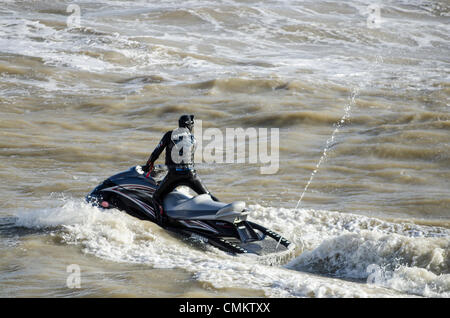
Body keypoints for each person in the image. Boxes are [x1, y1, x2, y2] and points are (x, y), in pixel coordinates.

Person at [143, 114, 218, 221]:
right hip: (191, 176)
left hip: (174, 176)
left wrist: (148, 165)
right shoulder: (193, 139)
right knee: (209, 196)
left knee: (156, 197)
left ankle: (161, 220)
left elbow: (156, 152)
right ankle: (226, 213)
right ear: (189, 125)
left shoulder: (169, 135)